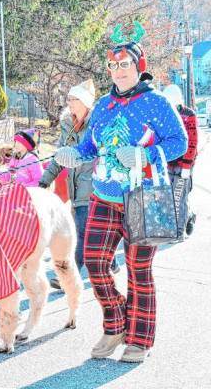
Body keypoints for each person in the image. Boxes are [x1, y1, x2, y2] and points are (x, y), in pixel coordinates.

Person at [53, 26, 187, 363]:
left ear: (139, 66)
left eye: (124, 64)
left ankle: (139, 340)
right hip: (103, 196)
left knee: (138, 272)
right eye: (113, 66)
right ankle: (115, 324)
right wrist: (75, 155)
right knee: (96, 264)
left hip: (144, 197)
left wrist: (146, 155)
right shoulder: (103, 105)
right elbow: (89, 145)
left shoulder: (156, 103)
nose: (118, 71)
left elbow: (179, 143)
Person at [40, 79, 119, 290]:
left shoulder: (98, 122)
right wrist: (44, 181)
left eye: (72, 99)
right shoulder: (68, 125)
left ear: (85, 102)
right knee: (89, 232)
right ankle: (112, 262)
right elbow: (59, 157)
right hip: (76, 187)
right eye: (68, 99)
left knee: (81, 232)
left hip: (95, 185)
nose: (69, 102)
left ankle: (68, 276)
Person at [162, 84, 197, 238]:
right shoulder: (164, 115)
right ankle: (187, 217)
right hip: (168, 163)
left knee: (178, 196)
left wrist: (187, 165)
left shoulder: (188, 115)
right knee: (168, 197)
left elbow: (192, 141)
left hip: (183, 163)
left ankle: (178, 231)